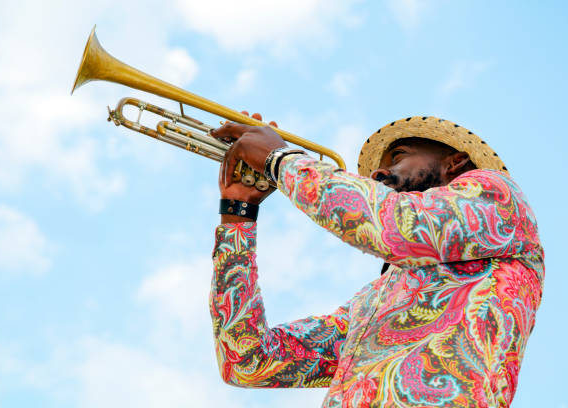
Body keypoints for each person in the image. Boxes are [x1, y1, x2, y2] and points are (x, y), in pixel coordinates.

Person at [208, 115, 544, 408]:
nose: (380, 170)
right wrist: (239, 213)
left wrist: (281, 159)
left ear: (454, 162)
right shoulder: (373, 302)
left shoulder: (497, 196)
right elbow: (248, 361)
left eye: (398, 155)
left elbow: (395, 226)